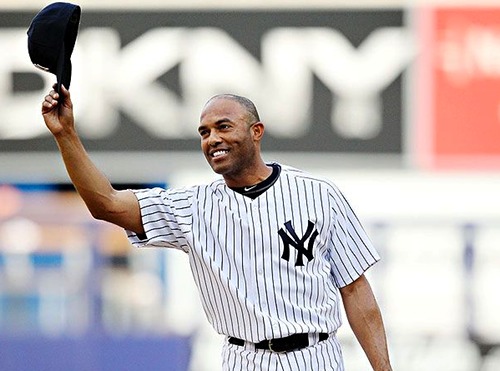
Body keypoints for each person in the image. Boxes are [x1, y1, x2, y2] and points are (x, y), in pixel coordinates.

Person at [41, 85, 392, 371]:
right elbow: (107, 204)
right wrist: (66, 134)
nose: (212, 139)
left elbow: (356, 291)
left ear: (257, 132)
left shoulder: (319, 194)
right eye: (204, 132)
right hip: (243, 359)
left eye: (224, 126)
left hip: (316, 356)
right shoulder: (191, 207)